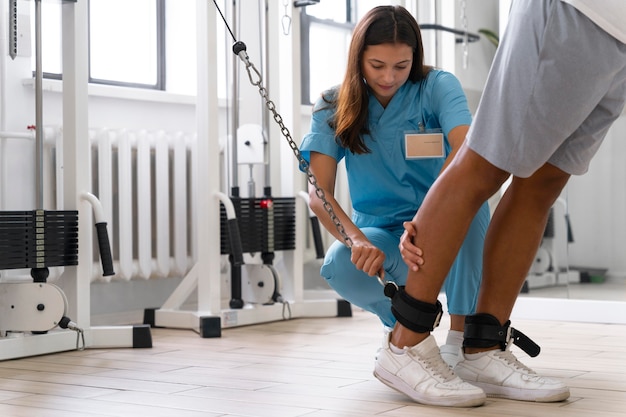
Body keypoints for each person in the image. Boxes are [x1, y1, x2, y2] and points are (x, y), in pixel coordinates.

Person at [392, 0, 626, 407]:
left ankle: (484, 348)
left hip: (620, 35)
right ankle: (404, 345)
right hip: (577, 11)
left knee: (544, 184)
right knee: (485, 164)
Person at [299, 5, 490, 407]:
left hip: (444, 222)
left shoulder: (437, 86)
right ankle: (408, 334)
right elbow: (320, 193)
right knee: (339, 264)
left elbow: (466, 152)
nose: (389, 78)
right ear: (358, 59)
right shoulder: (332, 105)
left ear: (414, 58)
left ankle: (461, 339)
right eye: (377, 65)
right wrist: (356, 241)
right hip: (384, 232)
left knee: (470, 204)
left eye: (401, 66)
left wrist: (427, 220)